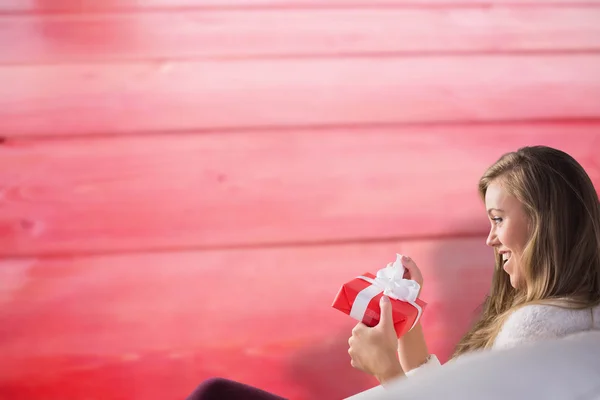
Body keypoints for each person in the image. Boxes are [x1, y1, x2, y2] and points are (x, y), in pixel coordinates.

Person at [186, 145, 600, 399]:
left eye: (497, 219)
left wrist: (386, 370)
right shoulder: (570, 321)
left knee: (214, 394)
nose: (491, 240)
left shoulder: (537, 328)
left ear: (545, 223)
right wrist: (406, 323)